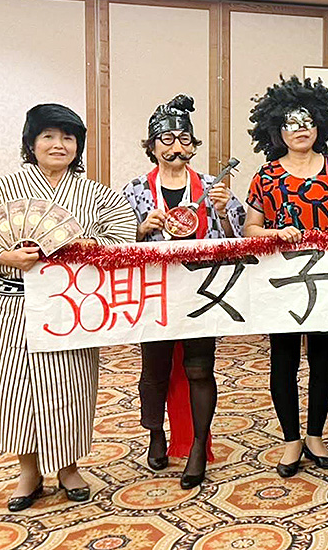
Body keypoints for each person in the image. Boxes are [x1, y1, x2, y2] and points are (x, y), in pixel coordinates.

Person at [0, 104, 136, 511]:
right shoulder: (1, 190)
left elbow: (123, 239)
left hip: (70, 309)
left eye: (68, 138)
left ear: (78, 146)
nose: (59, 145)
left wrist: (95, 247)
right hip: (12, 307)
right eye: (48, 136)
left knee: (70, 388)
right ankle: (28, 471)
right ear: (31, 143)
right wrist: (2, 256)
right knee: (13, 390)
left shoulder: (97, 196)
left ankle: (69, 468)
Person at [121, 94, 245, 490]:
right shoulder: (135, 190)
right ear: (152, 145)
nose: (176, 146)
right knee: (154, 371)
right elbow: (115, 243)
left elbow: (239, 239)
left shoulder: (211, 187)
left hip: (201, 292)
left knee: (199, 368)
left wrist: (224, 212)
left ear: (193, 145)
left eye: (184, 139)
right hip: (154, 292)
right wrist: (141, 228)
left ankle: (197, 446)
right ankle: (156, 433)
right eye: (167, 139)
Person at [244, 75, 328, 477]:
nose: (300, 129)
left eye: (308, 121)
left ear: (320, 125)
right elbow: (251, 229)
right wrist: (275, 234)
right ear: (277, 130)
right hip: (283, 282)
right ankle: (291, 439)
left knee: (324, 359)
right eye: (291, 123)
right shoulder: (266, 175)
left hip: (327, 279)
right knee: (284, 360)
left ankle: (315, 435)